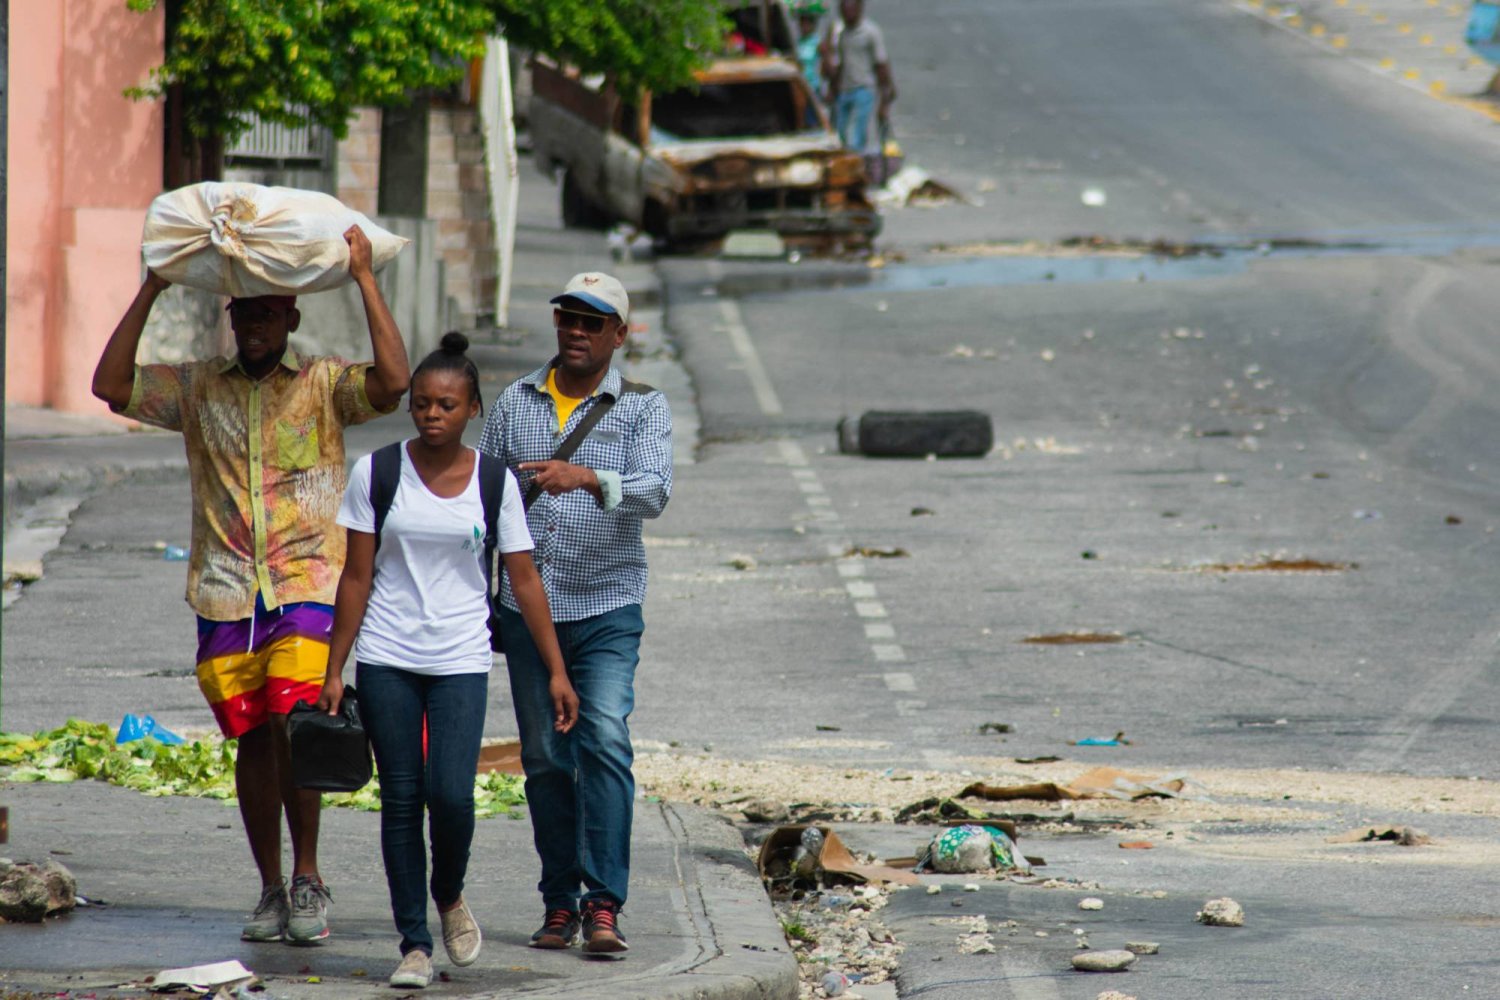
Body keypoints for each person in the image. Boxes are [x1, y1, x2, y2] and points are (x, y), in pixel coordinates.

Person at [90, 226, 411, 946]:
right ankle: (269, 885)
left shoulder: (325, 384)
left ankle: (308, 875)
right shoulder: (199, 387)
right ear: (232, 320)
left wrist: (364, 278)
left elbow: (394, 384)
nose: (257, 324)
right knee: (253, 740)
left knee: (296, 724)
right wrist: (153, 285)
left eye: (269, 311)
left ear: (293, 317)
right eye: (245, 313)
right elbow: (110, 387)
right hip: (225, 591)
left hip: (307, 583)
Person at [317, 333, 579, 988]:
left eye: (448, 405)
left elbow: (522, 579)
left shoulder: (494, 482)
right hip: (387, 655)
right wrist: (333, 668)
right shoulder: (376, 474)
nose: (434, 415)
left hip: (461, 656)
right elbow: (354, 577)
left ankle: (450, 894)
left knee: (451, 797)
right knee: (402, 799)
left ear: (471, 410)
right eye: (423, 403)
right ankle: (413, 942)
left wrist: (555, 670)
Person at [477, 272, 673, 956]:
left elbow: (654, 493)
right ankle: (558, 901)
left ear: (619, 335)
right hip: (529, 615)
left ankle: (605, 904)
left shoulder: (643, 409)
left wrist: (587, 476)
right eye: (569, 318)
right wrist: (479, 599)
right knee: (545, 759)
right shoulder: (514, 404)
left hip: (607, 605)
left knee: (605, 741)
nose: (579, 332)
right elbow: (481, 509)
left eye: (595, 323)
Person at [825, 0, 897, 183]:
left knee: (856, 136)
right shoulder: (841, 34)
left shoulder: (870, 33)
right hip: (844, 91)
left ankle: (851, 179)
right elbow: (840, 64)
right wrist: (833, 89)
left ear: (859, 8)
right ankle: (846, 174)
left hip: (863, 90)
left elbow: (881, 64)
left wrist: (886, 96)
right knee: (839, 136)